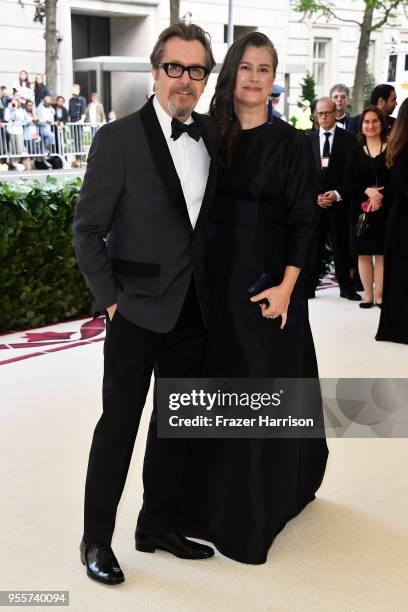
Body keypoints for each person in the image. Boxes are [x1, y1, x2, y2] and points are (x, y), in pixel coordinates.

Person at [73, 22, 219, 585]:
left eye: (197, 70)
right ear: (156, 71)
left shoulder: (211, 137)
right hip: (134, 310)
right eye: (175, 67)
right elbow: (87, 230)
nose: (185, 80)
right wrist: (110, 302)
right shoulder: (118, 139)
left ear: (205, 78)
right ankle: (95, 540)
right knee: (119, 426)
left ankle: (156, 524)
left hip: (193, 310)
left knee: (175, 425)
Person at [175, 32, 329, 565]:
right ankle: (200, 504)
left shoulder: (292, 144)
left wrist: (288, 287)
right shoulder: (207, 136)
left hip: (269, 287)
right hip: (208, 286)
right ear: (232, 74)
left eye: (265, 69)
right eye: (246, 67)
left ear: (273, 79)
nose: (255, 77)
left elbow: (305, 223)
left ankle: (253, 510)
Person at [306, 97, 359, 300]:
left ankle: (347, 287)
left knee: (341, 248)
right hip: (316, 203)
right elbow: (303, 175)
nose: (324, 117)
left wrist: (337, 194)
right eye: (320, 113)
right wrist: (315, 197)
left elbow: (353, 174)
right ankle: (308, 288)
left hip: (340, 203)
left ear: (336, 113)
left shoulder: (349, 139)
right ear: (315, 115)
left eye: (328, 113)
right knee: (313, 248)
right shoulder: (307, 139)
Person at [344, 107, 391, 308]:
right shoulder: (354, 152)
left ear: (382, 124)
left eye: (375, 121)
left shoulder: (392, 149)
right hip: (360, 211)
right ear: (361, 126)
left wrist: (380, 196)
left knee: (381, 253)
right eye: (366, 122)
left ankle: (380, 296)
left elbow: (397, 180)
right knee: (363, 253)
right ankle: (369, 297)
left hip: (385, 209)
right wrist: (368, 191)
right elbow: (347, 183)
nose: (370, 125)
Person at [376, 98, 408, 343]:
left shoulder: (395, 147)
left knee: (397, 273)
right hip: (403, 216)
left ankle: (394, 327)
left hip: (397, 216)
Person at [68, 84, 86, 166]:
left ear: (78, 90)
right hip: (72, 122)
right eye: (72, 89)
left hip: (78, 122)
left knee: (79, 141)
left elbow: (83, 112)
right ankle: (77, 159)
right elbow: (70, 112)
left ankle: (79, 159)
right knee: (75, 141)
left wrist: (81, 120)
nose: (73, 90)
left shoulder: (82, 99)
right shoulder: (71, 100)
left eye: (74, 89)